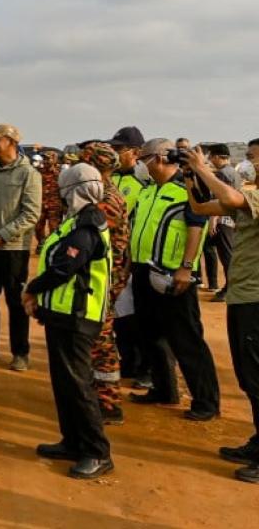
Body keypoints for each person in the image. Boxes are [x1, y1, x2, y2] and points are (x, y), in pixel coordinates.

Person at [25, 162, 114, 479]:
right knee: (64, 382)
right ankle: (72, 441)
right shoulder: (75, 221)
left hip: (79, 316)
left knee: (78, 384)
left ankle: (97, 451)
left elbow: (64, 267)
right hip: (63, 314)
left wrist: (31, 289)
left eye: (64, 189)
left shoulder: (87, 226)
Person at [128, 139, 220, 421]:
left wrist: (186, 267)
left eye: (142, 159)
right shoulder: (148, 191)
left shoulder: (185, 189)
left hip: (172, 274)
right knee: (150, 334)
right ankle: (164, 388)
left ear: (157, 159)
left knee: (186, 339)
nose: (139, 165)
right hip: (144, 271)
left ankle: (206, 401)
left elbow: (197, 227)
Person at [188, 138, 259, 482]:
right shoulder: (251, 196)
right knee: (248, 376)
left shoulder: (253, 195)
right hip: (244, 296)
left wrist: (202, 167)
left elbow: (230, 198)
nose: (251, 165)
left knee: (257, 377)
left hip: (256, 299)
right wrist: (191, 179)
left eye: (255, 158)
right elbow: (203, 210)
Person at [0, 124, 43, 371]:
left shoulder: (28, 175)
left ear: (11, 142)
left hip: (12, 248)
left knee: (15, 301)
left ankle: (20, 352)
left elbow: (31, 214)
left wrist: (1, 237)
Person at [81, 142, 130, 425]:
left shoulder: (106, 200)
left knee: (101, 342)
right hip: (100, 280)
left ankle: (108, 403)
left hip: (104, 282)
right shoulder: (97, 195)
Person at [105, 126, 152, 390]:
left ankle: (146, 367)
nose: (115, 153)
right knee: (119, 314)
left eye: (120, 149)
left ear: (136, 152)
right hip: (112, 259)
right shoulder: (110, 179)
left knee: (139, 315)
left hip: (134, 259)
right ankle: (129, 360)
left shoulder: (143, 183)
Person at [204, 143, 241, 302]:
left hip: (222, 219)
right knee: (227, 253)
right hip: (231, 219)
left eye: (212, 156)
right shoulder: (235, 172)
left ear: (218, 157)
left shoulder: (221, 175)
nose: (211, 160)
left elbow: (220, 199)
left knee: (226, 256)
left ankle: (230, 288)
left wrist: (213, 219)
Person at [35, 151, 62, 254]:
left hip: (54, 205)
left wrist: (64, 205)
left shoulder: (59, 173)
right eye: (45, 159)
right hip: (40, 204)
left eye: (48, 159)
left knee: (54, 227)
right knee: (38, 226)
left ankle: (52, 246)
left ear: (54, 160)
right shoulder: (38, 172)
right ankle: (41, 242)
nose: (46, 161)